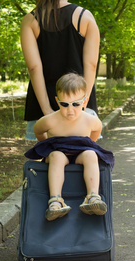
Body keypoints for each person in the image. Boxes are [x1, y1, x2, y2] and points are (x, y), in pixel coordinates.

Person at [24, 73, 114, 221]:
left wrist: (89, 144)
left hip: (79, 153)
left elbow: (97, 131)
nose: (70, 109)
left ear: (85, 102)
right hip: (58, 153)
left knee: (91, 154)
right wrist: (47, 145)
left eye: (76, 104)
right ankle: (55, 201)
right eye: (64, 104)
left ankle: (92, 197)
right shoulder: (50, 120)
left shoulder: (90, 120)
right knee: (57, 156)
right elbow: (38, 131)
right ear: (57, 101)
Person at [20, 0, 100, 141]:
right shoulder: (84, 16)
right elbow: (91, 64)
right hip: (79, 101)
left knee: (47, 157)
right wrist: (80, 104)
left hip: (42, 104)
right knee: (83, 155)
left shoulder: (30, 20)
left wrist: (47, 111)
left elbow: (34, 68)